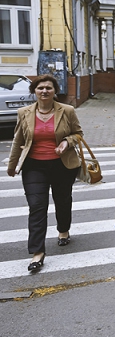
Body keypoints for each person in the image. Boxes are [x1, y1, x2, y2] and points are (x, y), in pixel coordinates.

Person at [7, 75, 83, 273]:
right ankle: (37, 252)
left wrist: (67, 142)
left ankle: (63, 230)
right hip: (34, 167)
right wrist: (13, 164)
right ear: (34, 91)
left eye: (49, 88)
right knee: (37, 207)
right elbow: (18, 140)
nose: (44, 91)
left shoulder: (67, 111)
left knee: (62, 199)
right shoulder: (24, 112)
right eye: (40, 88)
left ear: (54, 91)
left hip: (62, 165)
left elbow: (78, 134)